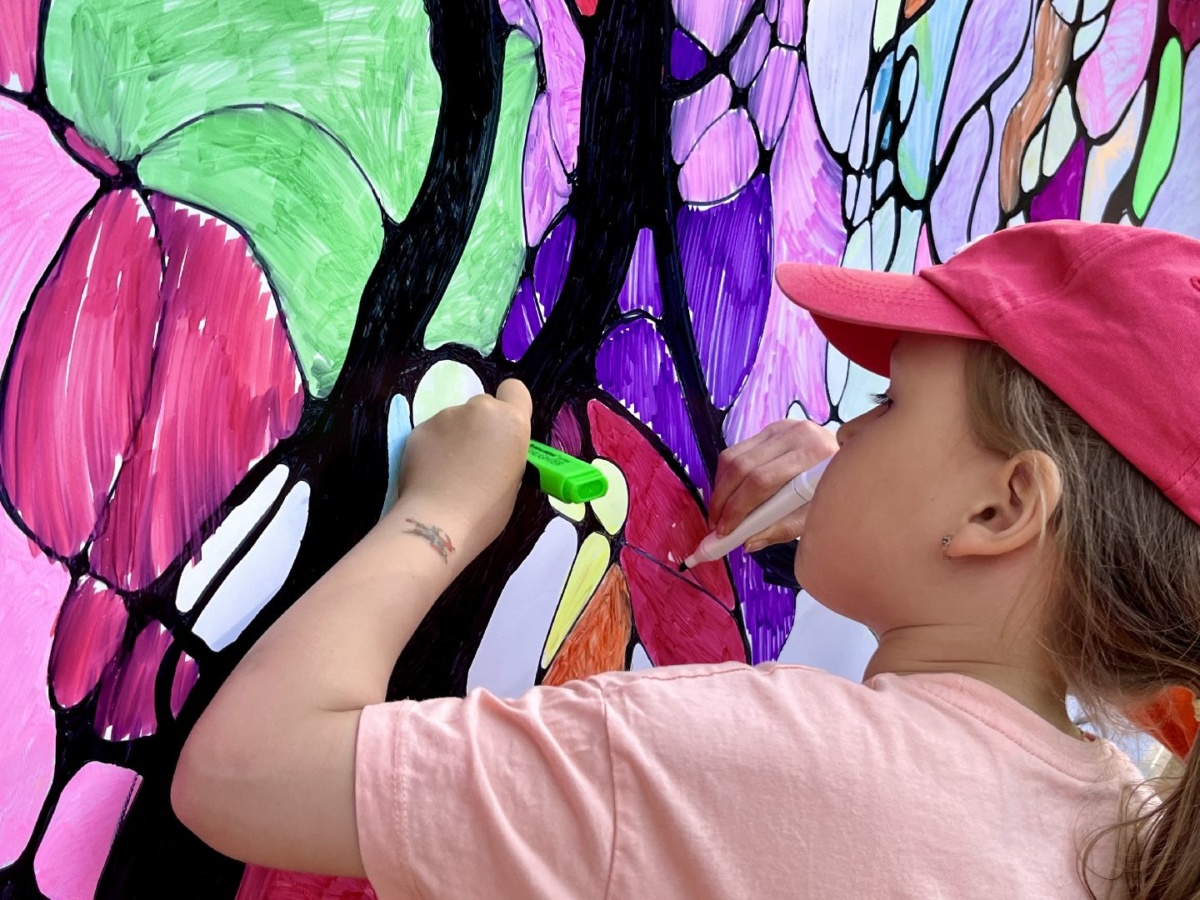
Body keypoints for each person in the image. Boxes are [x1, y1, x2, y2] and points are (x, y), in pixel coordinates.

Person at [171, 220, 1200, 899]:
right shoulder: (1127, 830)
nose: (842, 428)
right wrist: (888, 508)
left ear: (1000, 508)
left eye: (890, 403)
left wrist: (438, 514)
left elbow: (246, 774)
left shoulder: (767, 762)